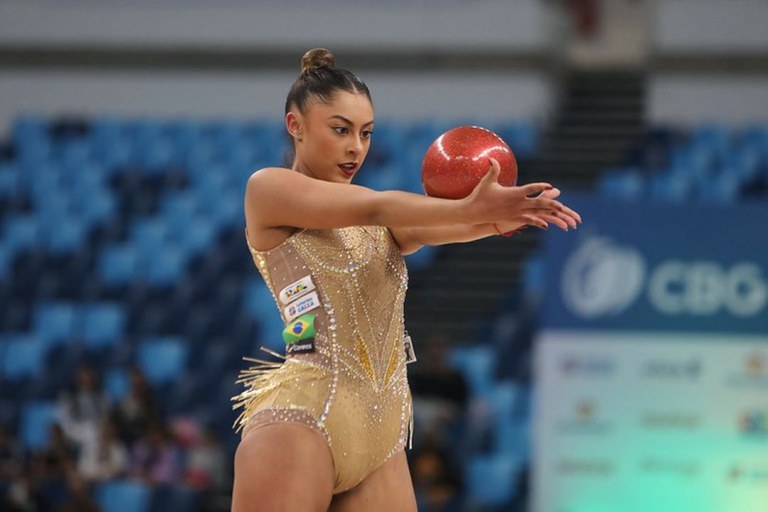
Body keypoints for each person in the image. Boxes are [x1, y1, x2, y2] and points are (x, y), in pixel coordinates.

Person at [230, 47, 581, 512]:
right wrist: (470, 210)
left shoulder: (383, 224)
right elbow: (379, 206)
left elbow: (430, 224)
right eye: (340, 130)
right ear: (295, 125)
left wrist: (500, 215)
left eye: (366, 132)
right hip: (303, 418)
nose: (356, 147)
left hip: (381, 432)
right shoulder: (268, 190)